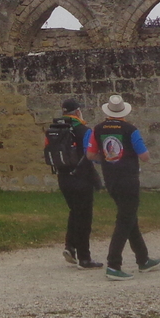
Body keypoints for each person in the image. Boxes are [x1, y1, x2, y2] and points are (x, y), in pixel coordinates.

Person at [86, 95, 159, 280]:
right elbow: (145, 156)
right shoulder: (130, 130)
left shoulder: (98, 129)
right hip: (128, 179)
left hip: (111, 179)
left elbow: (90, 155)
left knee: (129, 217)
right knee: (125, 220)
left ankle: (143, 258)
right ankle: (113, 264)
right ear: (124, 112)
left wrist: (105, 160)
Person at [44, 98, 102, 268]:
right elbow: (90, 155)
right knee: (84, 218)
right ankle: (84, 258)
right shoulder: (84, 130)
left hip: (63, 177)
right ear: (77, 112)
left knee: (75, 212)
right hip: (81, 177)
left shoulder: (54, 129)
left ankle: (70, 246)